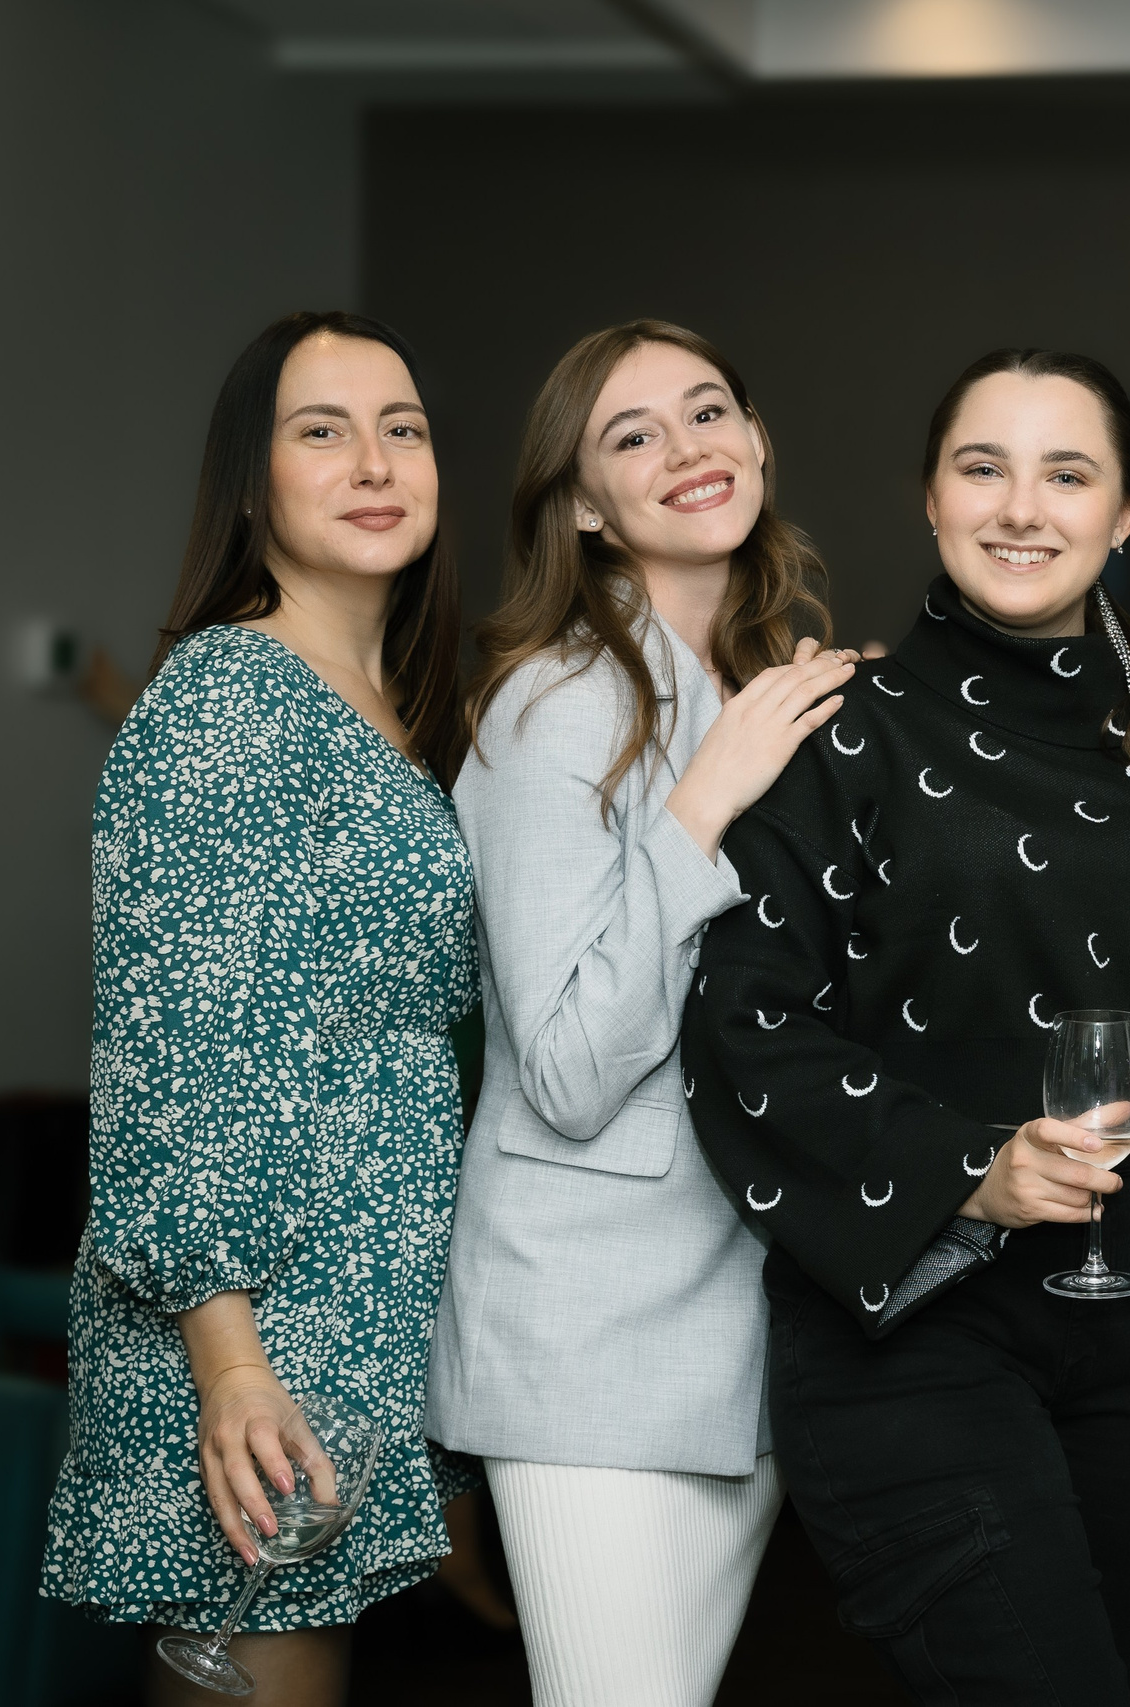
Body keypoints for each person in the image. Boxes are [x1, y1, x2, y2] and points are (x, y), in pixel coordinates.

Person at [679, 348, 1130, 1705]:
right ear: (931, 499)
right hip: (917, 1323)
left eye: (1067, 472)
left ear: (1126, 512)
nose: (1024, 506)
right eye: (983, 467)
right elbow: (749, 1025)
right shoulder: (836, 729)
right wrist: (972, 1164)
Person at [41, 312, 474, 1706]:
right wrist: (228, 1357)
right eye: (322, 430)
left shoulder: (392, 700)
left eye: (401, 428)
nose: (374, 461)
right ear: (251, 484)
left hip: (353, 1288)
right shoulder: (227, 698)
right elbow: (166, 1046)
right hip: (249, 1314)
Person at [425, 321, 855, 1705]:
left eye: (710, 409)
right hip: (586, 1333)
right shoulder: (548, 706)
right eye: (633, 434)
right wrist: (703, 800)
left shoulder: (766, 694)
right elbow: (563, 1068)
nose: (689, 448)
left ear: (760, 442)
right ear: (585, 509)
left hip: (739, 1325)